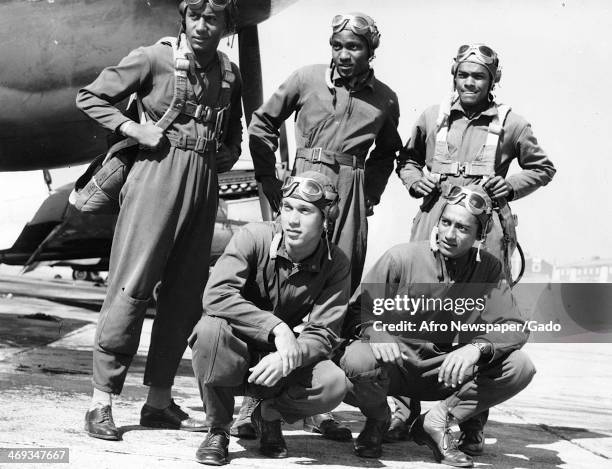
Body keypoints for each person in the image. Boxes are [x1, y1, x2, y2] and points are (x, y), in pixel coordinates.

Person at [77, 0, 243, 440]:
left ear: (227, 24)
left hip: (203, 185)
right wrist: (134, 130)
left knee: (185, 295)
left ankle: (158, 401)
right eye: (195, 17)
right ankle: (101, 402)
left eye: (213, 18)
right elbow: (89, 96)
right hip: (155, 177)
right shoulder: (154, 57)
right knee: (131, 286)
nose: (202, 26)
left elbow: (234, 135)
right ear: (184, 19)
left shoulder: (229, 72)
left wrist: (223, 153)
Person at [244, 10, 403, 440]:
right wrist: (268, 179)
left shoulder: (385, 99)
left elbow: (389, 152)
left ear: (371, 51)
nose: (344, 54)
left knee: (337, 289)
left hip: (349, 197)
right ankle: (253, 399)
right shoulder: (306, 79)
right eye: (338, 46)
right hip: (304, 183)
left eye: (354, 47)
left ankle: (316, 404)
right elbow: (262, 123)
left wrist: (368, 193)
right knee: (279, 280)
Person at [391, 43, 555, 448]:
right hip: (434, 221)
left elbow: (542, 167)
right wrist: (416, 181)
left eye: (478, 76)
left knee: (477, 320)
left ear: (492, 81)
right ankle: (405, 409)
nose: (469, 82)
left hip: (484, 229)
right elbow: (406, 159)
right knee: (417, 310)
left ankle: (469, 419)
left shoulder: (512, 124)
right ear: (454, 76)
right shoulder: (432, 117)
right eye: (463, 74)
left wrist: (510, 185)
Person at [339, 185, 536, 467]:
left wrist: (476, 349)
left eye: (463, 228)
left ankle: (438, 418)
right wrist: (375, 330)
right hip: (397, 364)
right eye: (446, 222)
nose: (449, 235)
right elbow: (357, 311)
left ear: (479, 235)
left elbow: (514, 326)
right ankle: (378, 418)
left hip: (446, 371)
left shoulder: (489, 269)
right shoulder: (401, 258)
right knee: (357, 359)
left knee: (519, 366)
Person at [189, 171, 350, 465]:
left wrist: (290, 354)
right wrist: (277, 328)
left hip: (281, 359)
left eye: (305, 211)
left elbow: (324, 332)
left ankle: (269, 413)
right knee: (209, 330)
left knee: (333, 382)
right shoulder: (253, 236)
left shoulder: (335, 263)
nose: (293, 220)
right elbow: (217, 295)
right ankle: (219, 429)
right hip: (236, 347)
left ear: (326, 217)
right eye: (287, 208)